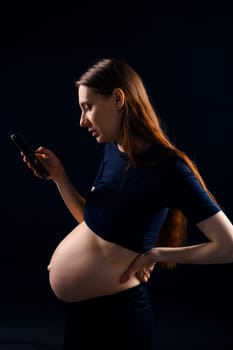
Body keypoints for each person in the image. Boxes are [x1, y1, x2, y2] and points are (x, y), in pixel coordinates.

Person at [22, 57, 233, 350]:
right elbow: (94, 224)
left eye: (88, 107)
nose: (82, 120)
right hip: (84, 311)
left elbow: (229, 245)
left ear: (118, 98)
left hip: (120, 319)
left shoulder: (169, 169)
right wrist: (59, 177)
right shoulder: (112, 150)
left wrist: (156, 255)